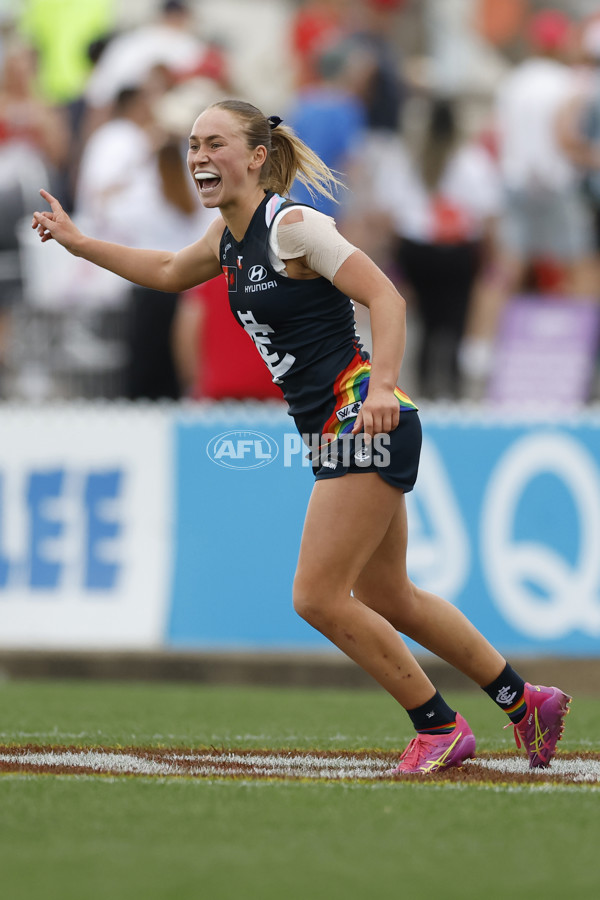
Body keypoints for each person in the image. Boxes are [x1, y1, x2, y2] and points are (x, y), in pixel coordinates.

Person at [32, 98, 571, 774]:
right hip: (336, 428)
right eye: (194, 144)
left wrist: (381, 386)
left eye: (215, 143)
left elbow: (388, 299)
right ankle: (527, 702)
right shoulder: (229, 238)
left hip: (362, 417)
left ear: (257, 157)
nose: (199, 155)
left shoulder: (292, 226)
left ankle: (437, 724)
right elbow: (168, 272)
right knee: (390, 595)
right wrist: (81, 243)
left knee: (316, 596)